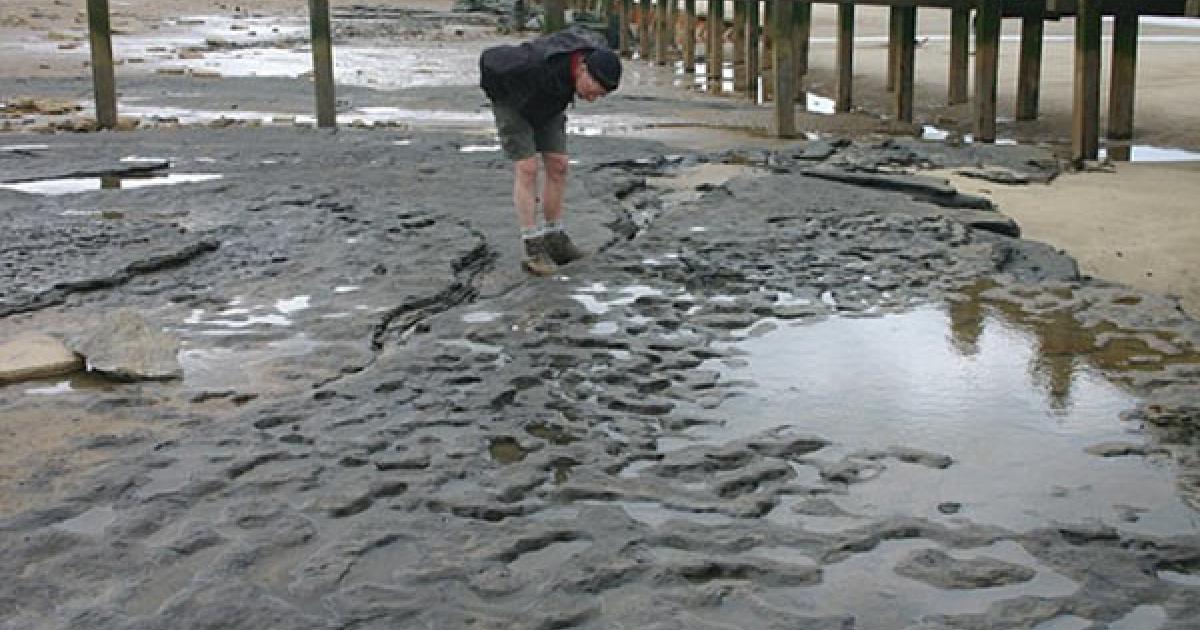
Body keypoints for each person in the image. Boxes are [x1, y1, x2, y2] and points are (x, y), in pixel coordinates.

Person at [479, 26, 622, 276]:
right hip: (512, 102)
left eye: (599, 96)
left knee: (559, 164)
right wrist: (501, 97)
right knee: (528, 167)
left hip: (550, 103)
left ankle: (555, 239)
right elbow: (488, 59)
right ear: (583, 69)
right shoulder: (531, 64)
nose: (592, 98)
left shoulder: (594, 52)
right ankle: (533, 245)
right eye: (594, 91)